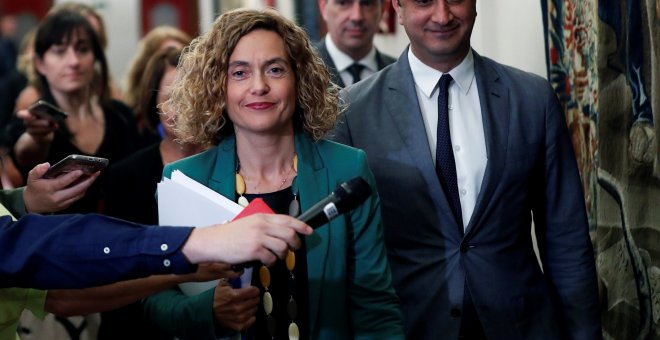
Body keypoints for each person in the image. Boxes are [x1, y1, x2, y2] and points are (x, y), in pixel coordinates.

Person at [330, 1, 601, 339]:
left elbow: (566, 239)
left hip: (522, 325)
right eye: (425, 1)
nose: (442, 16)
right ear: (397, 6)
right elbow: (346, 256)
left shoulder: (532, 100)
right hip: (411, 327)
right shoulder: (353, 114)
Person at [143, 8, 404, 340]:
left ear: (300, 79)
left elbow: (376, 309)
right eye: (239, 73)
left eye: (275, 70)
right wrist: (207, 309)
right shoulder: (183, 181)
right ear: (217, 87)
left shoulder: (348, 169)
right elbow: (157, 302)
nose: (259, 86)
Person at [100, 47, 204, 340]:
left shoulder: (233, 163)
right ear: (154, 106)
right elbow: (119, 272)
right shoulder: (126, 176)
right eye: (170, 98)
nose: (182, 106)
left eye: (192, 94)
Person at [11, 9, 139, 214]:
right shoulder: (35, 120)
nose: (74, 61)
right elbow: (25, 154)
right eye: (59, 51)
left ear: (95, 57)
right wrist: (38, 137)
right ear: (40, 63)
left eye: (82, 49)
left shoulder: (120, 115)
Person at [314, 0, 396, 87]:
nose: (357, 17)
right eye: (343, 3)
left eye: (367, 4)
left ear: (382, 10)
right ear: (323, 8)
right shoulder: (301, 69)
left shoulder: (401, 74)